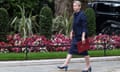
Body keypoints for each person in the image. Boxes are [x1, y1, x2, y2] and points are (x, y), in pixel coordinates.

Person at [57, 1, 91, 72]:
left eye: (75, 6)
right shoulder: (75, 14)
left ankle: (88, 67)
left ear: (79, 7)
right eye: (73, 6)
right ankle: (65, 64)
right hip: (76, 36)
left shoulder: (82, 15)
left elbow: (84, 27)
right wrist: (71, 31)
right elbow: (74, 24)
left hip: (81, 37)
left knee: (85, 53)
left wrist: (83, 37)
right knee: (71, 50)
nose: (74, 7)